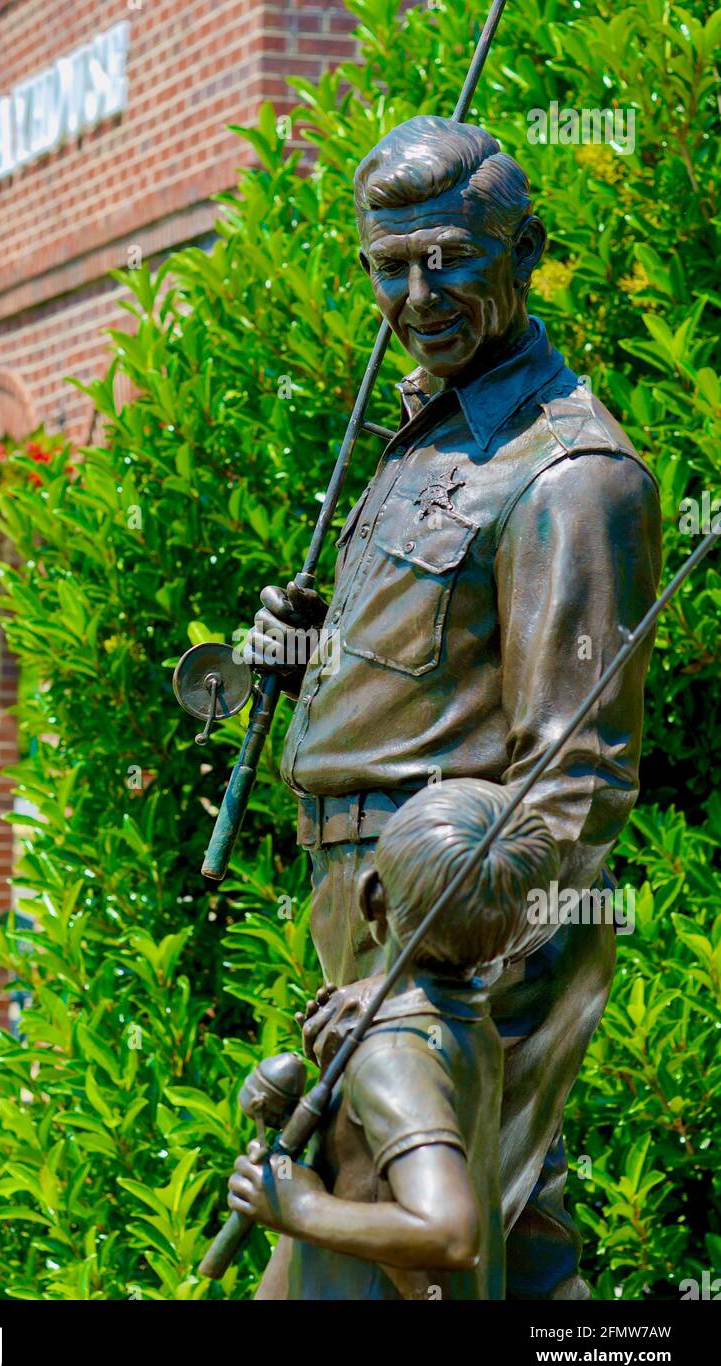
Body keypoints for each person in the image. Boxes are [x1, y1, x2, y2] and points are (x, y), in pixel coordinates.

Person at [242, 115, 662, 1297]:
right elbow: (436, 667)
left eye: (450, 259)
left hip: (448, 926)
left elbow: (571, 791)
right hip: (372, 910)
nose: (415, 293)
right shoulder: (429, 431)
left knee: (393, 1252)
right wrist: (316, 655)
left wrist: (434, 982)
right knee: (514, 1246)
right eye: (389, 264)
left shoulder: (571, 477)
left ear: (523, 250)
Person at [227, 778, 560, 1299]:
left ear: (370, 896)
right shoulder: (466, 1021)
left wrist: (300, 1208)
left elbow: (449, 1234)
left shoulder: (395, 1059)